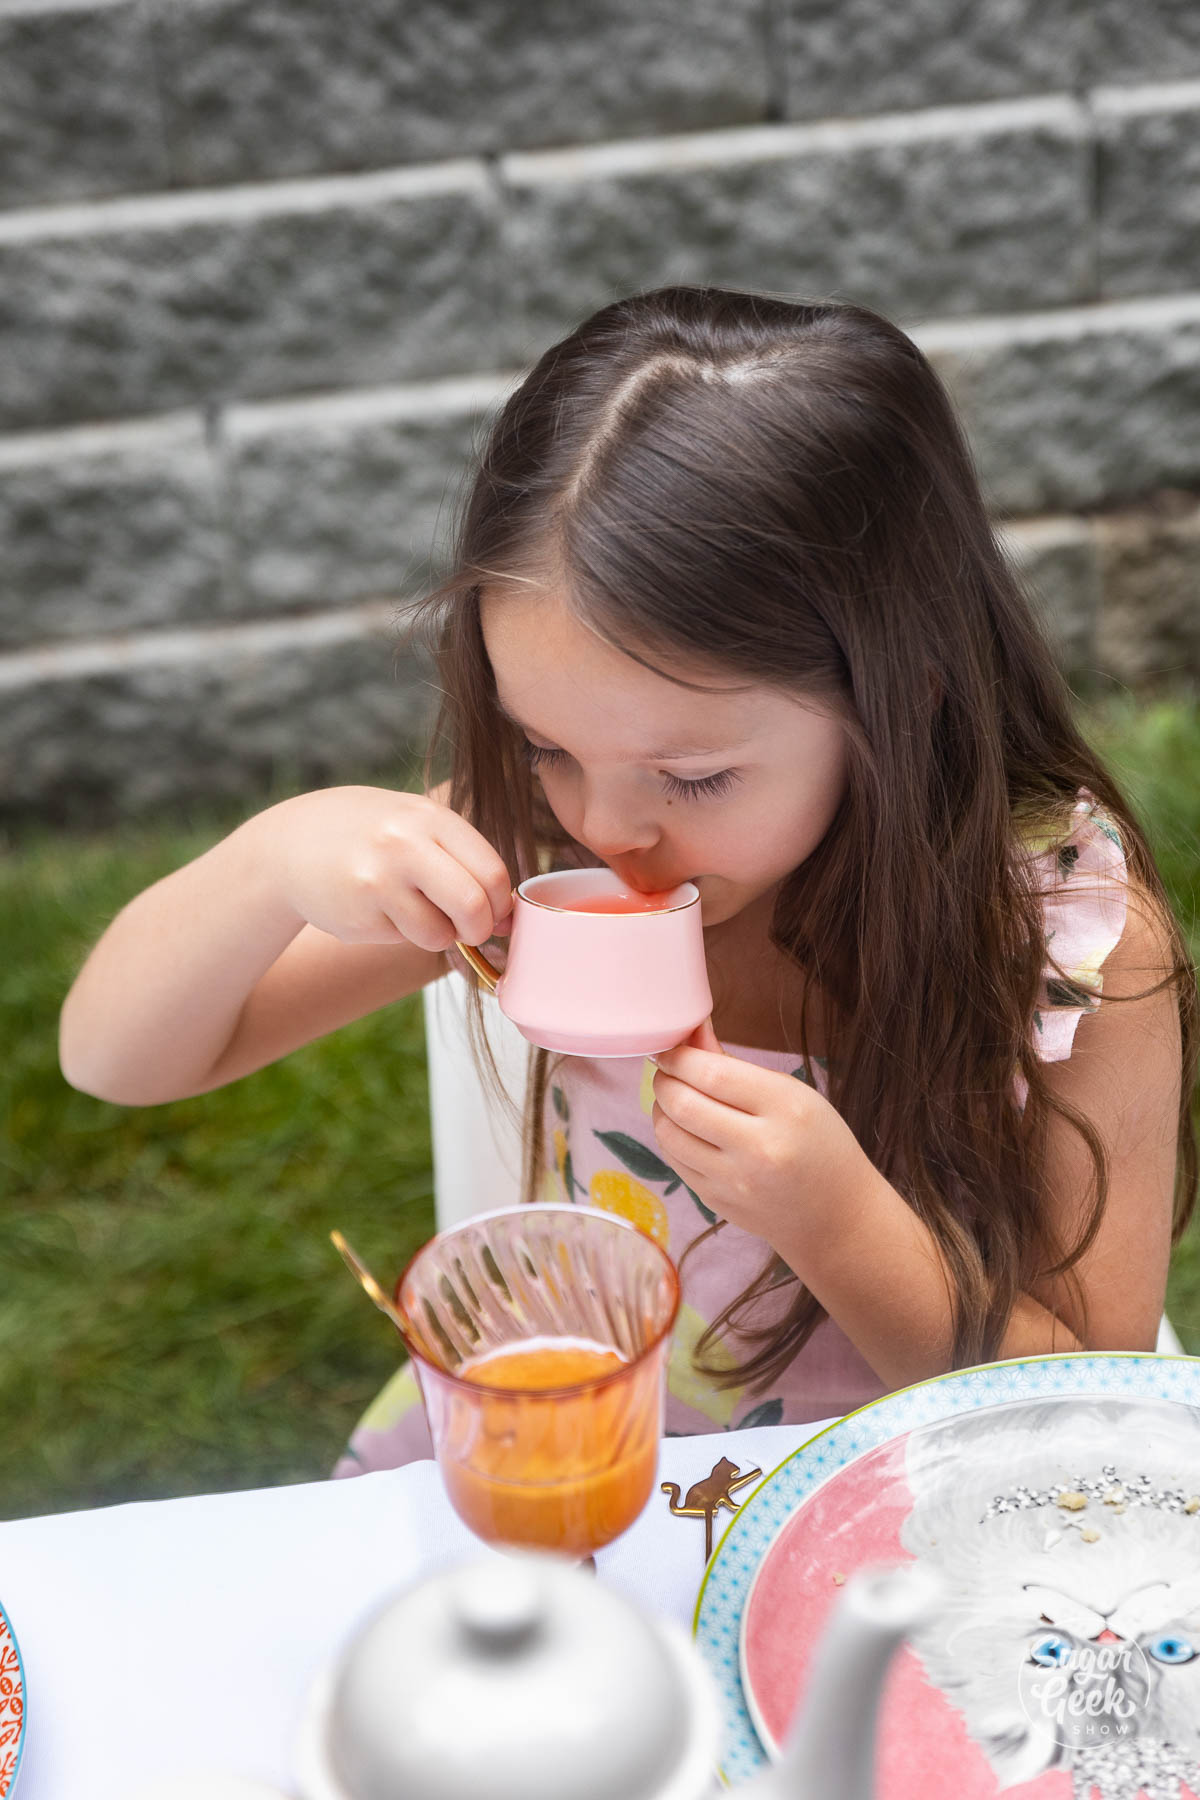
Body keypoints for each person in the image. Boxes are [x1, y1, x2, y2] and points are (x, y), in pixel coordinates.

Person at [60, 286, 1198, 1478]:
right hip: (553, 1449)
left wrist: (839, 1220)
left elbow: (1091, 1420)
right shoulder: (538, 866)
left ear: (900, 697)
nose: (608, 826)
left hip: (883, 1505)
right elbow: (116, 1059)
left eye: (693, 775)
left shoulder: (1068, 949)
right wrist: (267, 866)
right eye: (548, 746)